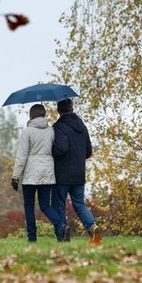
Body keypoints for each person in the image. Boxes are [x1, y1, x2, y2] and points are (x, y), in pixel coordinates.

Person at [10, 104, 66, 243]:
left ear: (31, 115)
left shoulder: (27, 131)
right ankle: (61, 226)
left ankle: (32, 238)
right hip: (47, 172)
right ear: (43, 114)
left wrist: (15, 177)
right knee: (45, 205)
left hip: (30, 174)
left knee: (29, 206)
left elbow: (21, 156)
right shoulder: (51, 131)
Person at [51, 97, 99, 242]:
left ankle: (62, 233)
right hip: (79, 173)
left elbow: (61, 149)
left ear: (58, 110)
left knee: (59, 204)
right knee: (79, 204)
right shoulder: (82, 126)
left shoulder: (58, 127)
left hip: (62, 173)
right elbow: (88, 151)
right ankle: (92, 227)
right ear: (72, 108)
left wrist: (51, 150)